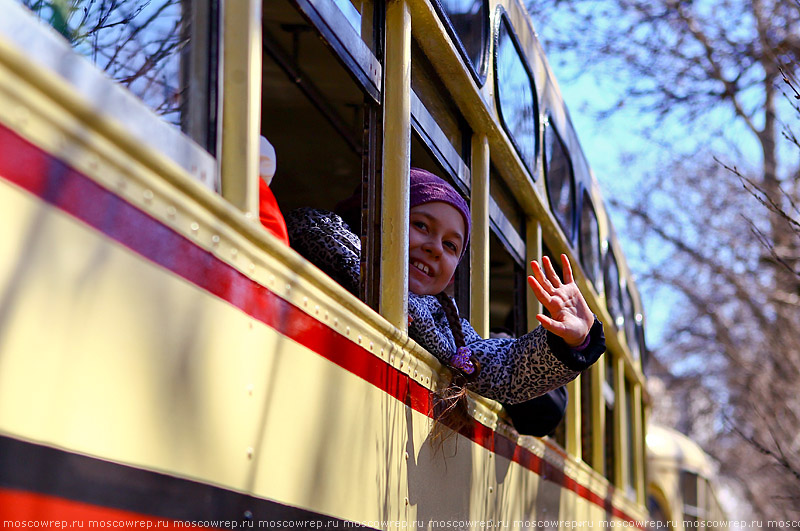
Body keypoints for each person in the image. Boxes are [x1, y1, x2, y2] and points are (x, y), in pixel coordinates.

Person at [286, 168, 605, 407]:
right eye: (421, 225)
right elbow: (319, 237)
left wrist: (573, 342)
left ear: (452, 275)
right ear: (373, 220)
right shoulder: (331, 238)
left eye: (451, 246)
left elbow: (504, 369)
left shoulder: (444, 321)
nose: (435, 247)